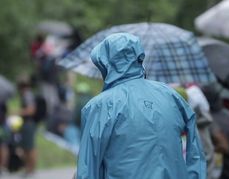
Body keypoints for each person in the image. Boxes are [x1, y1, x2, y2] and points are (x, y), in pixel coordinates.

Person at [77, 33, 206, 179]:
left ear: (105, 64)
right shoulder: (171, 96)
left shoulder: (99, 107)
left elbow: (88, 167)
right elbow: (195, 150)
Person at [17, 77, 38, 177]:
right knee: (26, 147)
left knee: (30, 147)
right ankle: (28, 169)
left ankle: (31, 169)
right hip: (27, 124)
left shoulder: (27, 95)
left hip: (28, 123)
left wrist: (18, 112)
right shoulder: (27, 94)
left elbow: (31, 110)